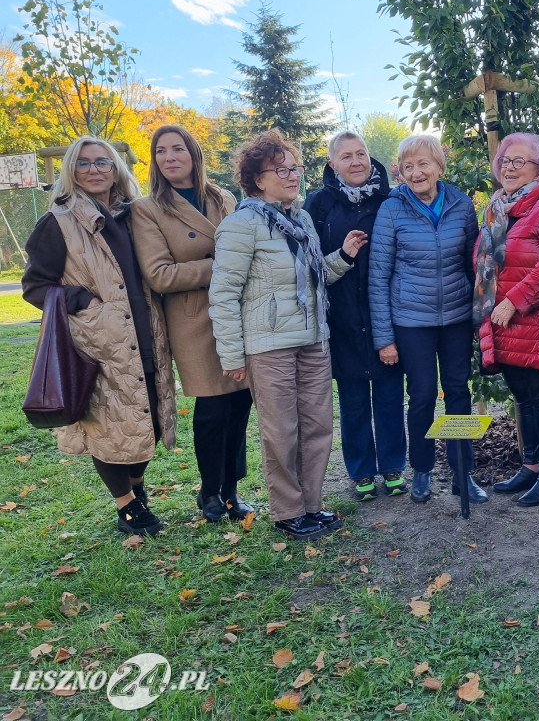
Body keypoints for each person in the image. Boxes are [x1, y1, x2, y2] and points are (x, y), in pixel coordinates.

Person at [209, 129, 363, 541]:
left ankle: (312, 504)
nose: (292, 176)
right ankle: (288, 511)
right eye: (281, 170)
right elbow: (223, 295)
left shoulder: (301, 218)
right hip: (268, 344)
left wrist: (343, 256)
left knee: (317, 424)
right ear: (258, 179)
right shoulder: (241, 225)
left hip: (313, 338)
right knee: (282, 430)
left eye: (296, 168)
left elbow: (311, 279)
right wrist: (232, 356)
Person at [22, 137, 177, 535]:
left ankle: (137, 489)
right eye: (84, 163)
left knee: (145, 420)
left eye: (102, 163)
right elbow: (35, 286)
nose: (94, 170)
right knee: (108, 427)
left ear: (116, 169)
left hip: (145, 333)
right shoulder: (57, 222)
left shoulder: (131, 215)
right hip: (98, 341)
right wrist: (83, 300)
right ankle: (127, 507)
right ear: (71, 170)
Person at [132, 125, 255, 524]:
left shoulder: (223, 198)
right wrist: (221, 266)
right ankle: (209, 492)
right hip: (194, 319)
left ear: (193, 154)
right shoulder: (147, 208)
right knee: (212, 409)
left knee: (240, 404)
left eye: (177, 149)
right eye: (161, 152)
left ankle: (233, 489)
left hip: (237, 314)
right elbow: (160, 275)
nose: (169, 158)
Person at [368, 135, 483, 504]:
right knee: (421, 395)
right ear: (400, 172)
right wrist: (385, 337)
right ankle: (421, 469)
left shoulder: (462, 205)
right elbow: (379, 275)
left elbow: (474, 264)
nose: (416, 172)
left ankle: (463, 473)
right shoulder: (392, 209)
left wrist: (479, 318)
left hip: (455, 317)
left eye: (423, 164)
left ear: (439, 167)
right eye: (408, 166)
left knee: (458, 392)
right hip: (410, 321)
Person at [305, 132, 407, 502]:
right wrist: (342, 254)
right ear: (333, 164)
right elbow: (308, 263)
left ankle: (394, 465)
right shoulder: (317, 205)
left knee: (391, 396)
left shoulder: (392, 199)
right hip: (342, 319)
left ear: (370, 157)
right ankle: (361, 471)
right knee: (352, 402)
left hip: (386, 316)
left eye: (360, 154)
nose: (355, 161)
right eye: (346, 156)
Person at [476, 133, 539, 507]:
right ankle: (530, 466)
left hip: (535, 322)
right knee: (523, 399)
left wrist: (514, 302)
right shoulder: (499, 208)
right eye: (505, 161)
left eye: (519, 162)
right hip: (503, 325)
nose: (509, 168)